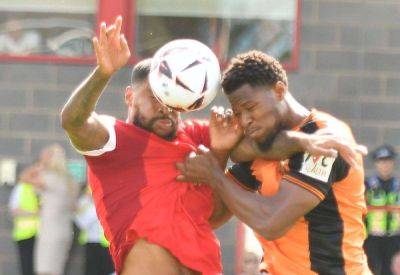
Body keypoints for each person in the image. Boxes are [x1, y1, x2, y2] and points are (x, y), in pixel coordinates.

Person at [59, 17, 361, 275]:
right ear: (129, 97)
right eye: (155, 97)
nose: (165, 107)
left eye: (172, 99)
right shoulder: (116, 139)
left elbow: (258, 150)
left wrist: (303, 141)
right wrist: (103, 72)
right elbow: (74, 121)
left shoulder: (199, 136)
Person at [177, 50, 371, 274]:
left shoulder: (325, 140)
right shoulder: (263, 142)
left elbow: (270, 222)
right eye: (238, 113)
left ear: (279, 90)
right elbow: (215, 216)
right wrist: (220, 154)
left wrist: (215, 174)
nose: (245, 120)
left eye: (250, 108)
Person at [32, 144, 79, 275]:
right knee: (58, 270)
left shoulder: (49, 178)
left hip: (50, 232)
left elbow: (25, 177)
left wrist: (41, 163)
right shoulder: (71, 181)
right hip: (65, 231)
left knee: (45, 270)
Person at [364, 144, 400, 275]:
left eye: (388, 160)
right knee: (370, 270)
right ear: (376, 163)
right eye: (381, 161)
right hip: (372, 238)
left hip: (395, 239)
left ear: (393, 162)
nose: (385, 164)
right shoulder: (366, 185)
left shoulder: (398, 185)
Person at [8, 166, 40, 275]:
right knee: (27, 266)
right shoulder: (21, 188)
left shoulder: (38, 190)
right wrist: (33, 213)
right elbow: (14, 210)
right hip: (24, 234)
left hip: (39, 234)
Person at [75, 186, 114, 275]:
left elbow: (82, 222)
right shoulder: (86, 202)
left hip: (103, 244)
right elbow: (81, 220)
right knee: (93, 270)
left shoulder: (96, 205)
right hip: (91, 242)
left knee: (103, 270)